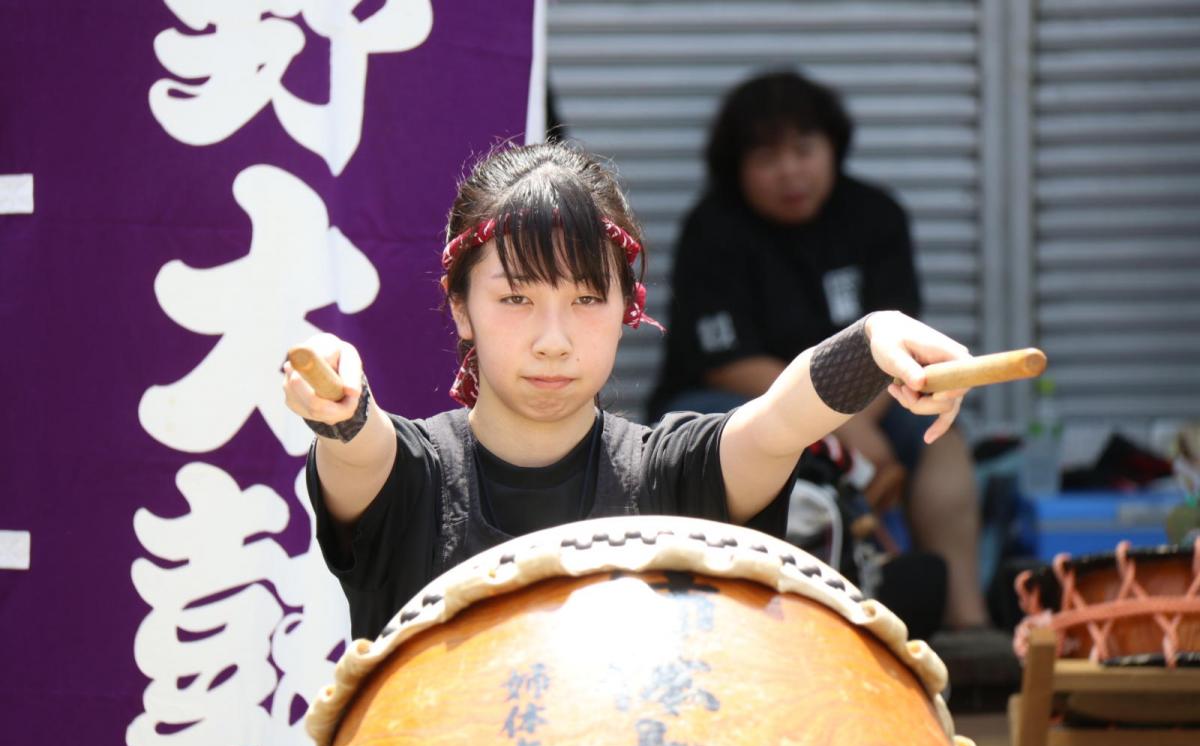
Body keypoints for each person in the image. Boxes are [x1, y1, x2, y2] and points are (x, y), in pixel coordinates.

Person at [282, 141, 972, 640]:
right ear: (460, 306)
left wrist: (871, 340)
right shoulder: (410, 477)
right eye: (516, 298)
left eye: (586, 299)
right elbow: (362, 449)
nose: (553, 339)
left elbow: (779, 420)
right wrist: (343, 412)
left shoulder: (672, 474)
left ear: (627, 309)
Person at [647, 70, 990, 631]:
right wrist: (839, 425)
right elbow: (727, 362)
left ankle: (969, 623)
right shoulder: (714, 231)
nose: (790, 172)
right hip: (739, 401)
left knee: (942, 443)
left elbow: (901, 340)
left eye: (804, 150)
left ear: (833, 147)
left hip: (872, 397)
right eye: (767, 158)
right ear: (737, 168)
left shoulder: (875, 217)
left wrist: (857, 423)